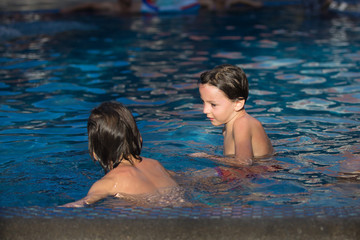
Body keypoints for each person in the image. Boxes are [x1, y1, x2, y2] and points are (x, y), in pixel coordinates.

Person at [61, 101, 181, 207]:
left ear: (95, 153)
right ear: (139, 138)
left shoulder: (109, 183)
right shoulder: (156, 165)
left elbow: (83, 203)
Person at [190, 64, 274, 167]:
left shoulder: (242, 123)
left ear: (238, 104)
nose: (205, 110)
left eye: (213, 104)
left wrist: (207, 157)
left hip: (259, 175)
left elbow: (243, 163)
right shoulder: (228, 127)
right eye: (204, 102)